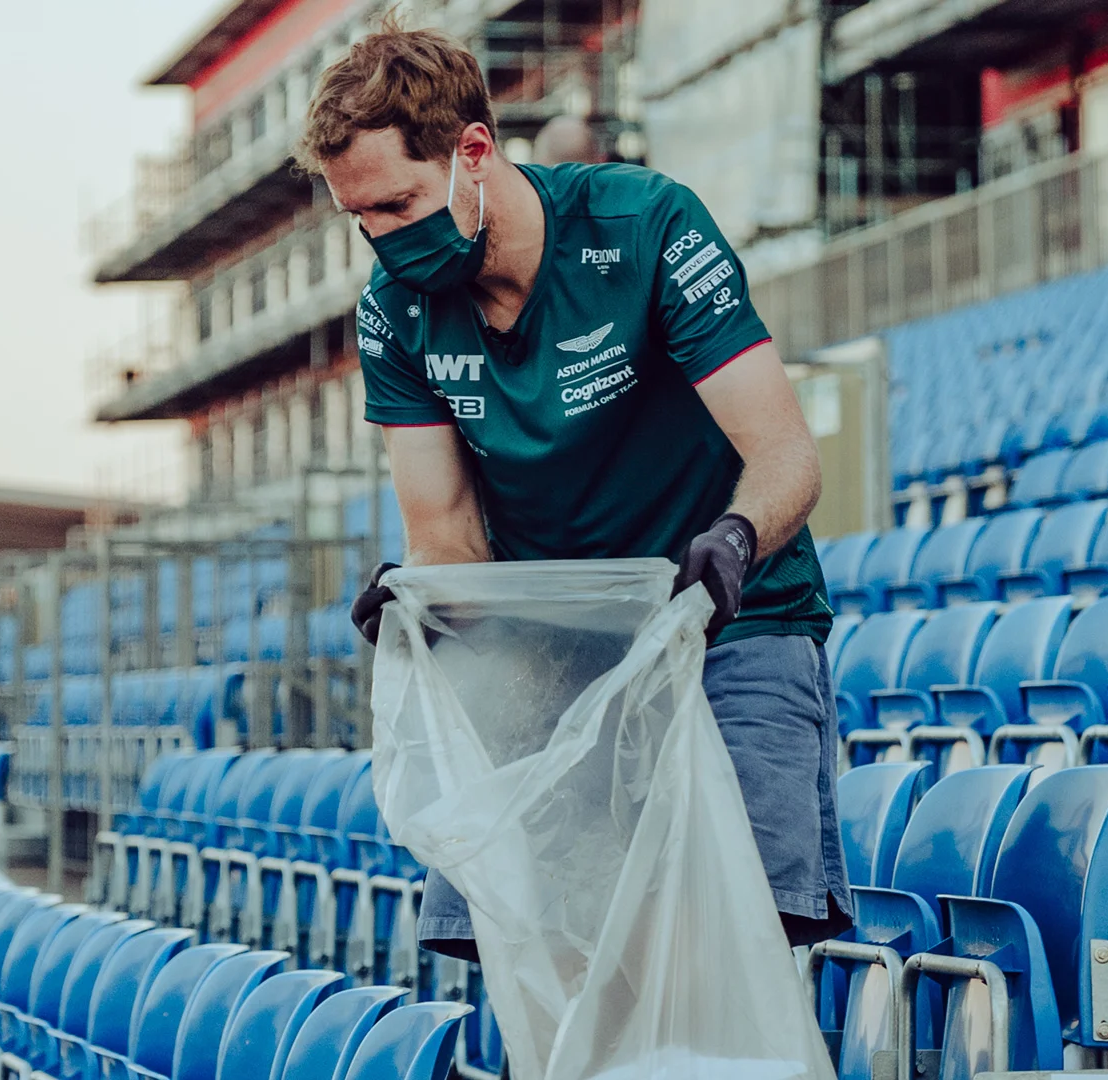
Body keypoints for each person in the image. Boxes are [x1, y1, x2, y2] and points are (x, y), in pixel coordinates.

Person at [298, 16, 853, 966]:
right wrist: (422, 594)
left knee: (744, 939)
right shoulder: (397, 316)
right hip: (556, 646)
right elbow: (447, 535)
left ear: (474, 151)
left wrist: (734, 538)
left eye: (397, 206)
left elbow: (787, 459)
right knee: (534, 936)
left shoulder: (645, 227)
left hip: (733, 623)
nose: (383, 243)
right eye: (361, 221)